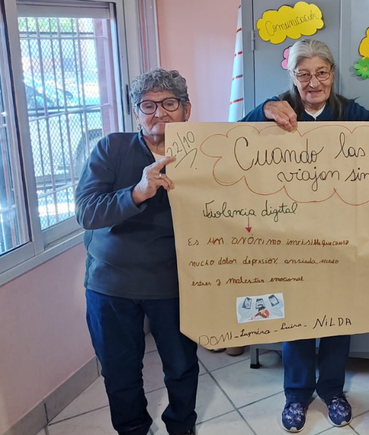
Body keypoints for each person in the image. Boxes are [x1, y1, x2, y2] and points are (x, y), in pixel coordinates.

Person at [240, 38, 369, 433]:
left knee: (340, 316)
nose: (313, 82)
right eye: (303, 74)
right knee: (298, 320)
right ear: (292, 77)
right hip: (292, 239)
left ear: (333, 75)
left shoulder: (349, 112)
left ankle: (333, 390)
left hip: (342, 240)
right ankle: (296, 394)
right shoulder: (277, 110)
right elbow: (234, 143)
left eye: (321, 73)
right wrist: (263, 110)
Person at [75, 68, 198, 435]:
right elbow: (87, 211)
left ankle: (181, 426)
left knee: (181, 366)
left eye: (169, 103)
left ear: (186, 110)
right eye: (148, 105)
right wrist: (137, 192)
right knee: (119, 369)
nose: (158, 112)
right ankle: (131, 429)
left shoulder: (203, 152)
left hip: (174, 284)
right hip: (111, 285)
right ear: (135, 112)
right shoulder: (110, 148)